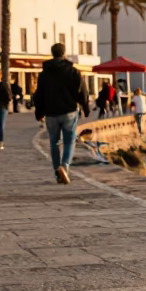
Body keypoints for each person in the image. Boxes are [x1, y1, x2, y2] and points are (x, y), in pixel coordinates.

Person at [33, 42, 91, 184]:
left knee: (54, 143)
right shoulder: (73, 72)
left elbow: (39, 95)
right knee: (69, 141)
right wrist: (85, 107)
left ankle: (57, 171)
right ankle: (64, 166)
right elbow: (82, 92)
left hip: (51, 113)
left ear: (52, 54)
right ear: (64, 53)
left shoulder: (44, 74)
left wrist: (39, 112)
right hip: (69, 112)